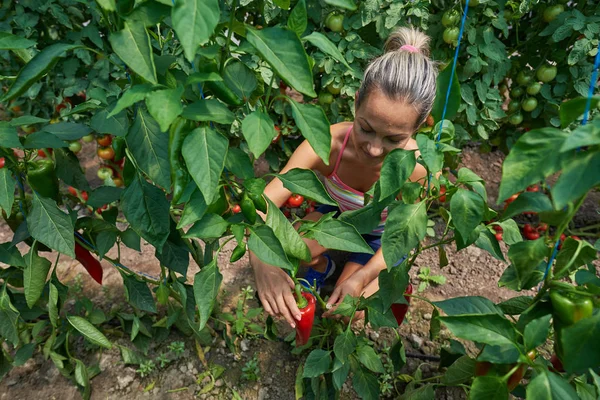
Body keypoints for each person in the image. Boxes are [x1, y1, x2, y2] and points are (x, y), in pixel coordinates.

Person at [249, 26, 438, 329]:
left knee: (358, 309)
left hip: (383, 239)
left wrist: (363, 277)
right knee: (287, 250)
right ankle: (326, 267)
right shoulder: (326, 145)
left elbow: (405, 237)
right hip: (337, 220)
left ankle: (360, 274)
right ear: (356, 101)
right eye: (366, 128)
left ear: (417, 129)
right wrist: (262, 262)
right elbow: (261, 205)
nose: (374, 148)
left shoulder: (419, 168)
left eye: (393, 139)